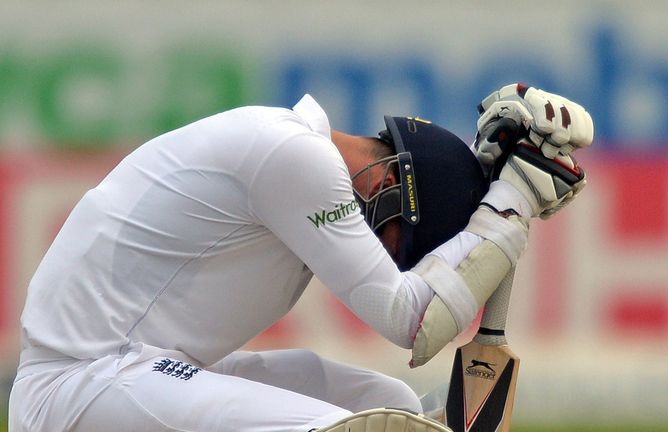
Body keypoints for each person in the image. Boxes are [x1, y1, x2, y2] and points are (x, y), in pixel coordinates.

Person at [8, 83, 593, 432]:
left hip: (136, 370)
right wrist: (514, 199)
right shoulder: (294, 159)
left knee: (389, 408)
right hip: (80, 388)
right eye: (402, 247)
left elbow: (441, 210)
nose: (390, 261)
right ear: (390, 183)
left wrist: (497, 186)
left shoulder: (310, 167)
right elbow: (413, 322)